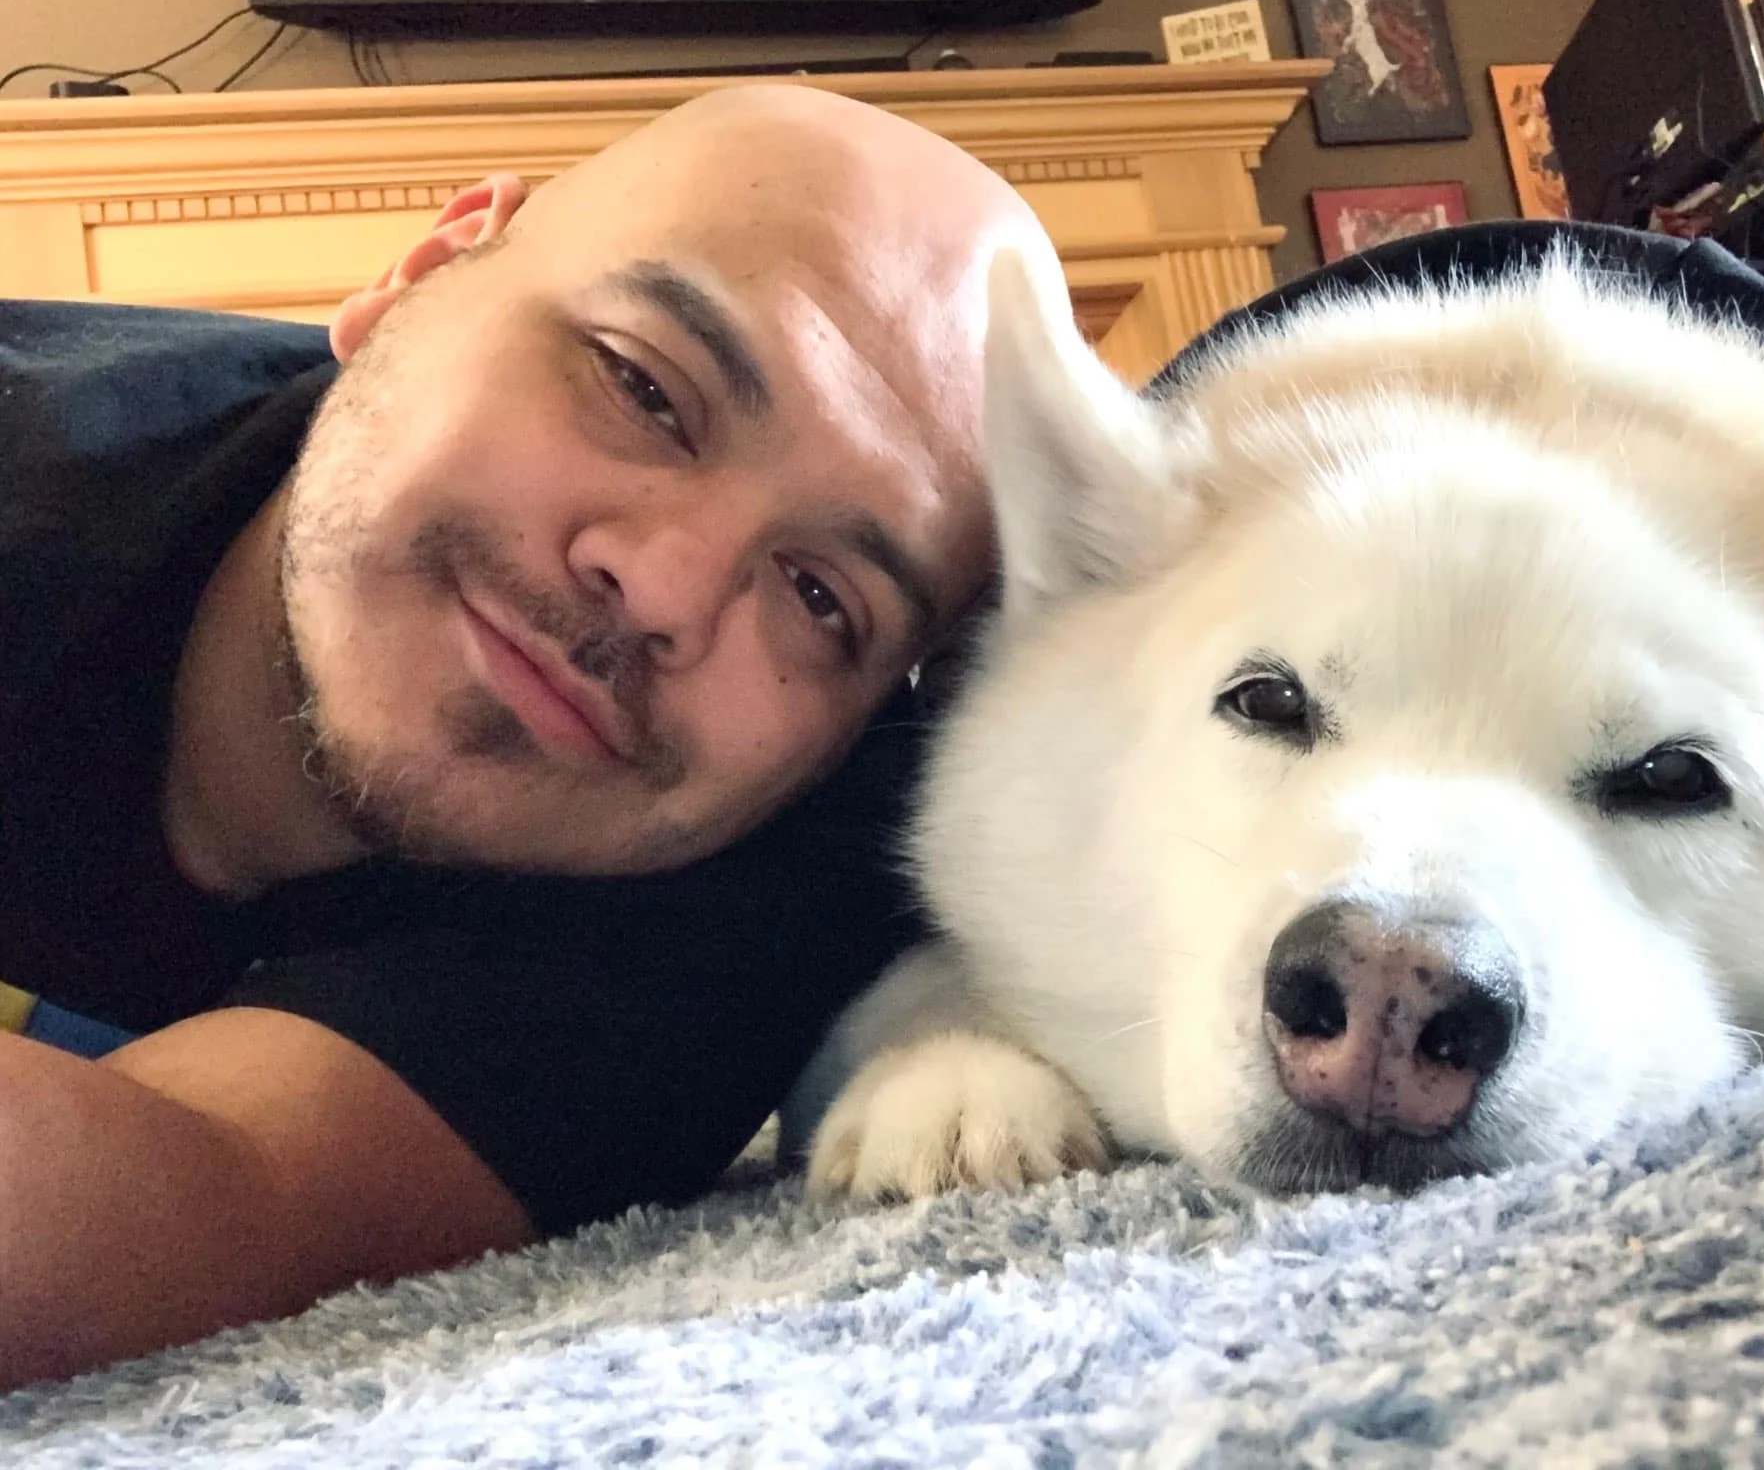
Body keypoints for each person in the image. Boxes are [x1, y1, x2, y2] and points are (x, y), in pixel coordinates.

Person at [0, 83, 1061, 1390]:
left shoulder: (752, 872)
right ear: (420, 274)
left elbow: (173, 1214)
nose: (665, 588)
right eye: (644, 389)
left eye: (819, 596)